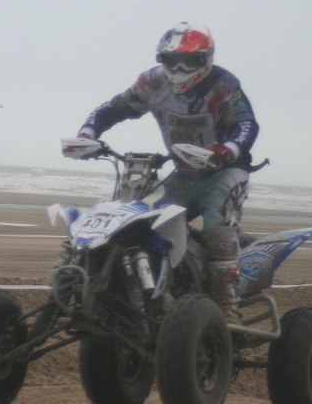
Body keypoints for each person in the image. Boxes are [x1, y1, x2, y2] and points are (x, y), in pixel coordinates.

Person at [74, 22, 261, 322]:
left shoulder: (223, 85)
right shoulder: (152, 83)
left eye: (189, 60)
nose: (180, 68)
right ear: (162, 60)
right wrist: (87, 134)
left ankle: (226, 307)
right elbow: (113, 108)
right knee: (139, 222)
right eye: (172, 60)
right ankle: (150, 290)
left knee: (216, 232)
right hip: (184, 173)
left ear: (206, 59)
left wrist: (226, 150)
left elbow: (247, 124)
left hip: (225, 172)